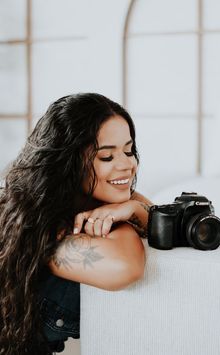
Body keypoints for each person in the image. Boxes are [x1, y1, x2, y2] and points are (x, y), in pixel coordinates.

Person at [0, 93, 153, 354]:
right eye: (107, 157)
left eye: (129, 151)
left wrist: (130, 208)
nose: (128, 165)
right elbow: (126, 266)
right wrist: (120, 216)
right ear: (68, 164)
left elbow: (156, 216)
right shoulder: (41, 232)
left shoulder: (95, 198)